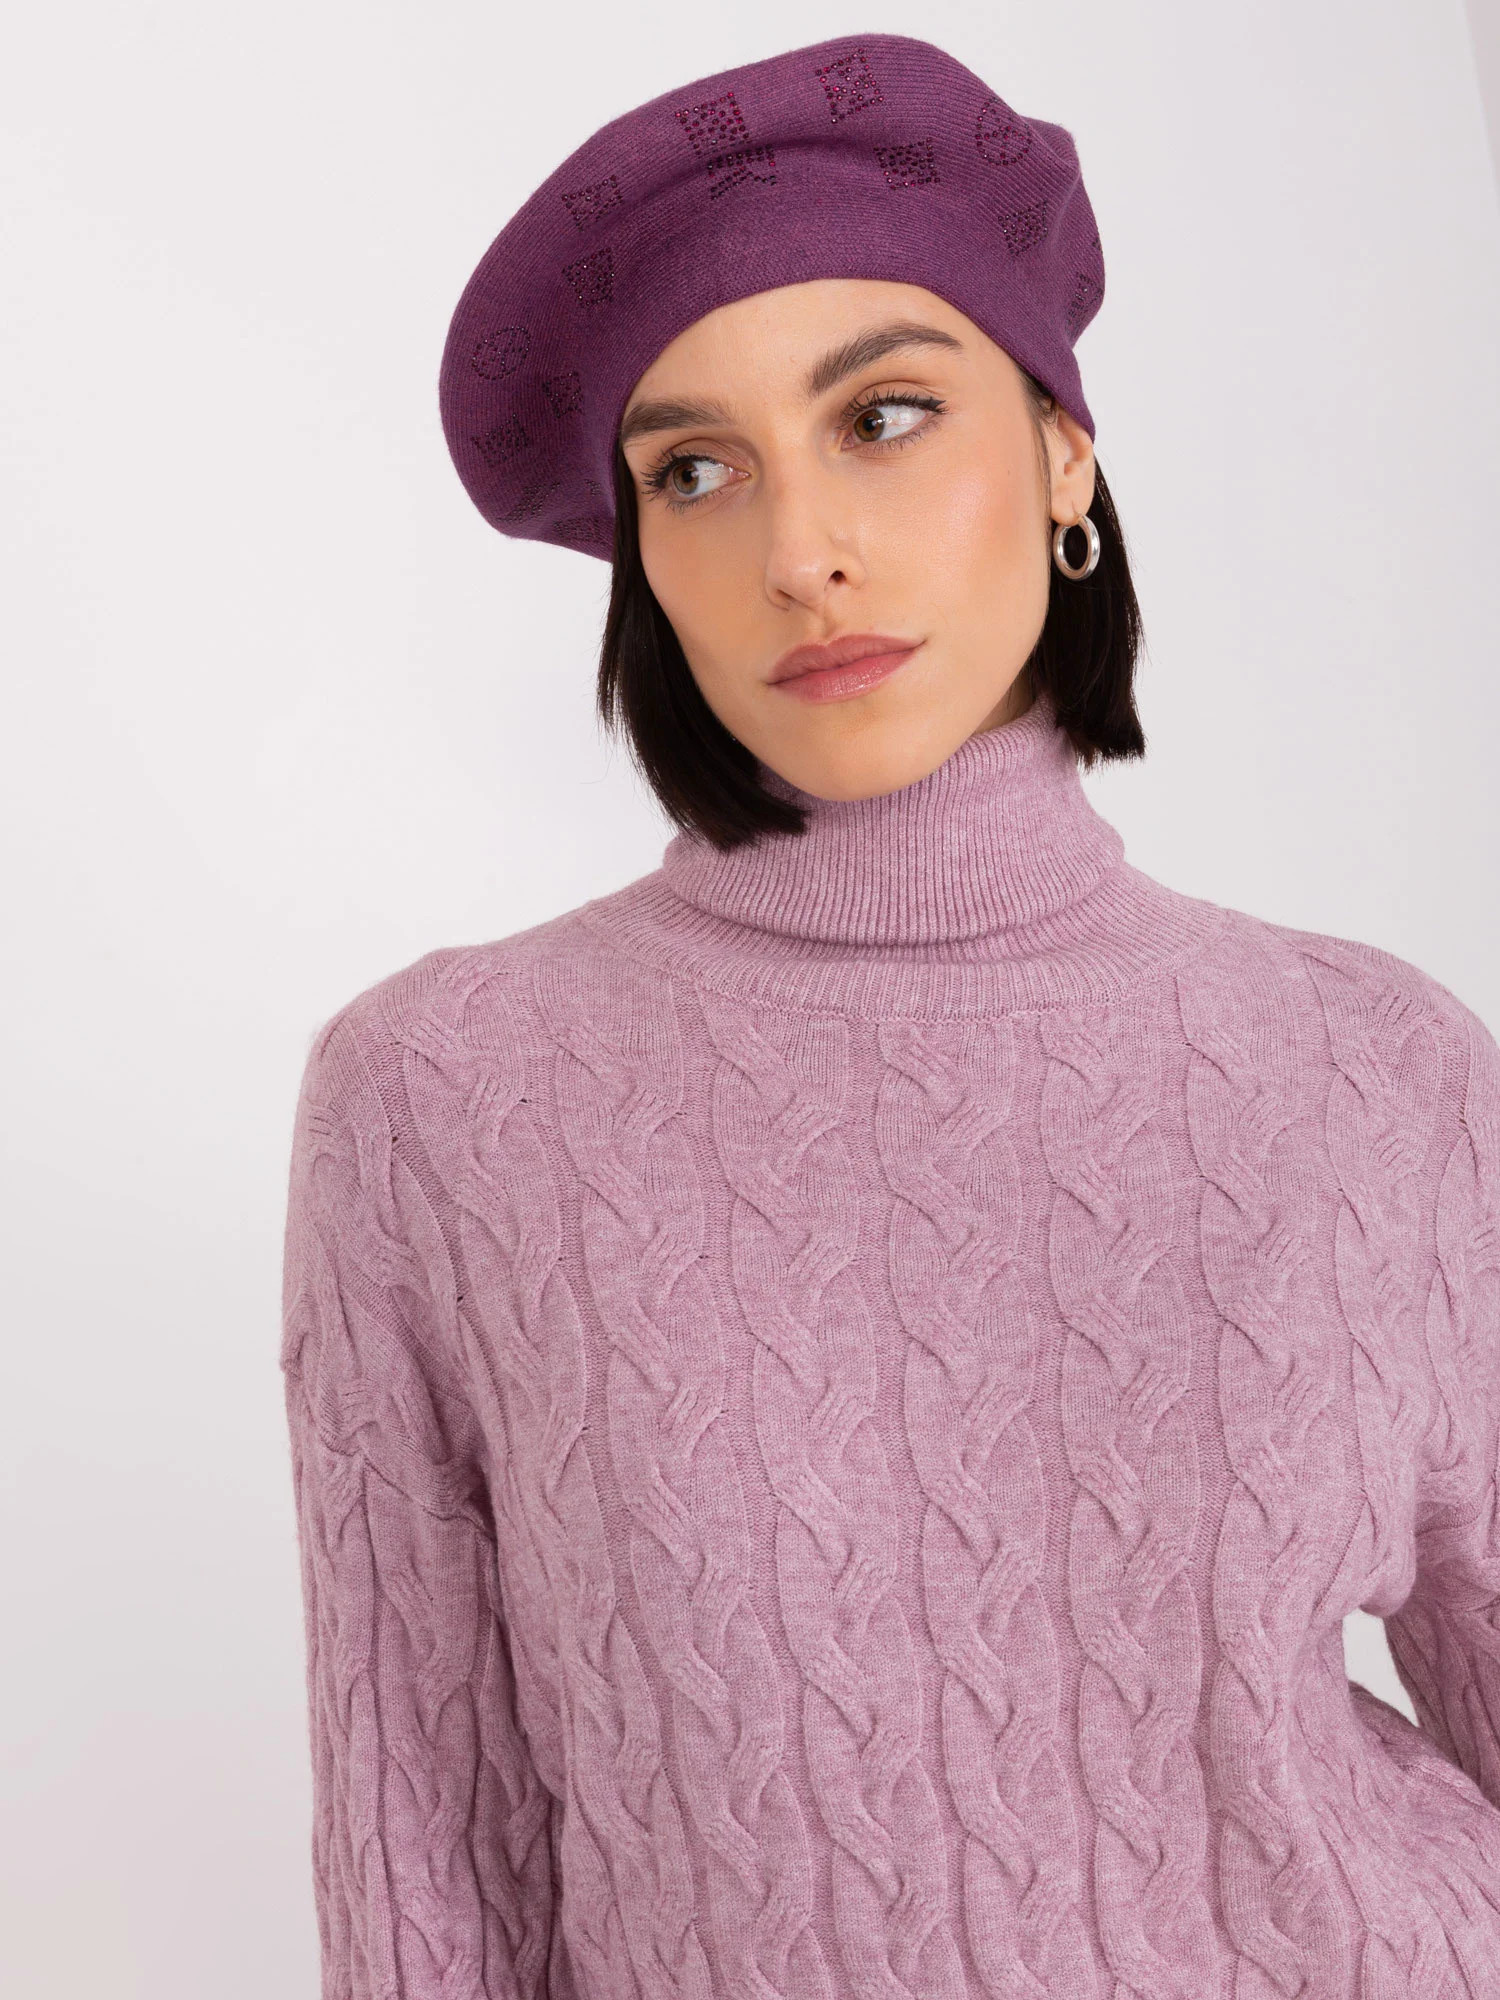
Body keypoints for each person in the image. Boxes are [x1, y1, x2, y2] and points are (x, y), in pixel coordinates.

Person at [278, 31, 1500, 1999]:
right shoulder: (442, 1098)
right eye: (695, 469)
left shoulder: (1381, 1062)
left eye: (887, 415)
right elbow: (427, 1845)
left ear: (1064, 449)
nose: (799, 552)